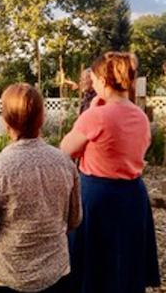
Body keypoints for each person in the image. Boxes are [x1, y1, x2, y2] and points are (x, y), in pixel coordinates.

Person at [0, 83, 82, 293]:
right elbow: (74, 218)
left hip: (7, 277)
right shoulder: (65, 163)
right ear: (41, 118)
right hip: (57, 275)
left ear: (6, 122)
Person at [60, 52, 160, 293]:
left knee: (93, 268)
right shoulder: (140, 116)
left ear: (104, 81)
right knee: (124, 263)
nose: (92, 83)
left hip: (98, 198)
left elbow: (64, 151)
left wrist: (93, 111)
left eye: (93, 78)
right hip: (133, 197)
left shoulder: (95, 116)